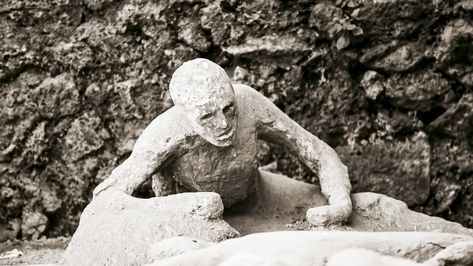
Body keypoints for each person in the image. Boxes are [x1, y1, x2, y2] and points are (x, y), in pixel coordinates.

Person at [93, 58, 352, 226]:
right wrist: (178, 209)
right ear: (185, 115)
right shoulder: (165, 133)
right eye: (207, 116)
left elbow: (315, 149)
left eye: (228, 109)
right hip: (192, 222)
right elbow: (107, 198)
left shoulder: (248, 102)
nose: (224, 124)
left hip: (259, 200)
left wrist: (340, 203)